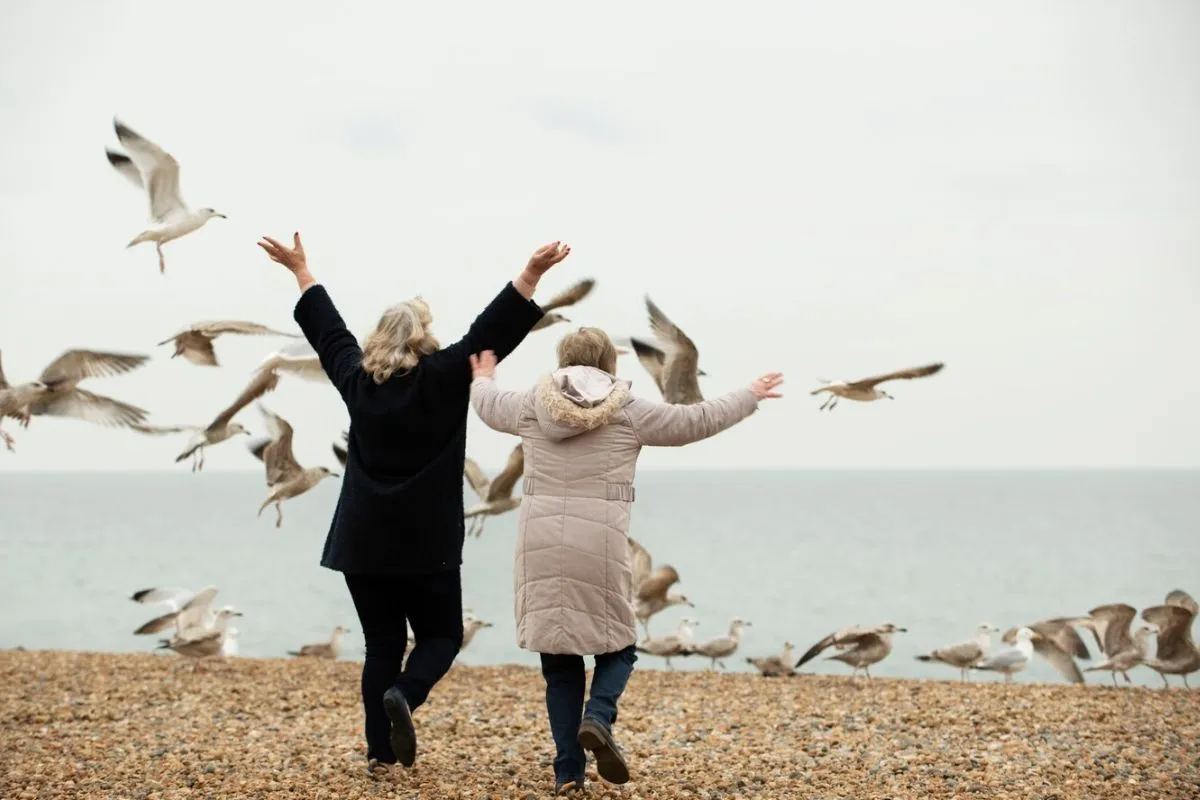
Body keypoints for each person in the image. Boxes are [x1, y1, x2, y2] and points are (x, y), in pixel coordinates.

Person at [257, 232, 572, 776]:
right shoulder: (445, 376)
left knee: (380, 644)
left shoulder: (357, 380)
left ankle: (381, 754)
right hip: (426, 541)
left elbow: (328, 333)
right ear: (423, 338)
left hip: (362, 538)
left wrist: (302, 272)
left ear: (379, 339)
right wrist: (531, 275)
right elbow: (489, 333)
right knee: (442, 636)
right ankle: (407, 693)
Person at [468, 327, 783, 794]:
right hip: (600, 543)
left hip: (539, 543)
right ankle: (598, 716)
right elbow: (694, 421)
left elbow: (488, 407)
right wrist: (749, 395)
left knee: (559, 661)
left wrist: (484, 376)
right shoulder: (626, 409)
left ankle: (568, 774)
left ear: (561, 361)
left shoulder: (531, 405)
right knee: (620, 646)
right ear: (610, 365)